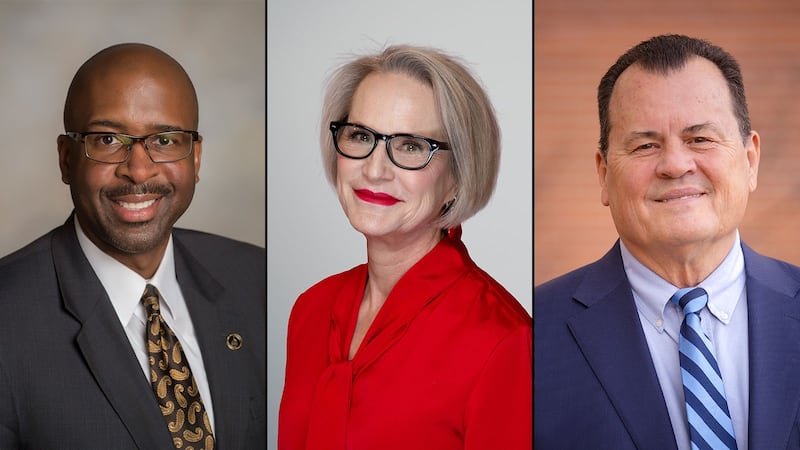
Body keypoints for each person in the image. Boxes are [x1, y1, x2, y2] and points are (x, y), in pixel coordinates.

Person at [533, 33, 800, 449]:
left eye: (700, 139)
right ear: (604, 174)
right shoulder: (528, 335)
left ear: (750, 160)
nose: (675, 165)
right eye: (645, 145)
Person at [0, 43, 265, 449]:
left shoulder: (257, 279)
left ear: (195, 157)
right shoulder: (9, 320)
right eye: (107, 139)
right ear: (67, 159)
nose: (139, 170)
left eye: (165, 140)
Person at [277, 44, 532, 450]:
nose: (375, 169)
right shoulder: (311, 310)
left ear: (457, 177)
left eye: (410, 146)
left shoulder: (504, 340)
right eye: (361, 136)